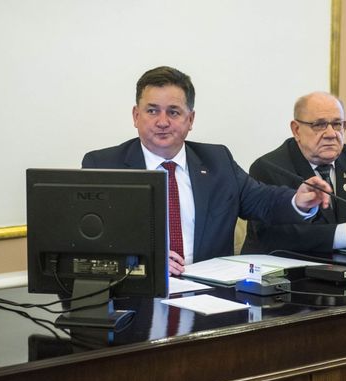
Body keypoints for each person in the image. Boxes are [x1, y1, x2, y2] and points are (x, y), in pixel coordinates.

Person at [82, 66, 331, 275]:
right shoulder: (103, 165)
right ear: (136, 116)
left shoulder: (217, 161)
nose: (162, 122)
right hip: (137, 291)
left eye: (173, 112)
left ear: (190, 120)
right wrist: (141, 261)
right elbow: (90, 240)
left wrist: (298, 201)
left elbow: (263, 200)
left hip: (209, 293)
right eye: (152, 110)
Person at [242, 91, 346, 254]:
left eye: (337, 124)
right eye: (319, 125)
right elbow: (275, 237)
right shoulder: (269, 168)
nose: (331, 134)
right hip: (291, 268)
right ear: (296, 130)